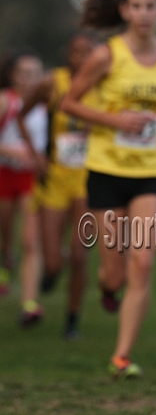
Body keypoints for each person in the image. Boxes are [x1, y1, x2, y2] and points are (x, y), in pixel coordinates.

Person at [61, 0, 156, 376]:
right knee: (114, 272)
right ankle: (105, 286)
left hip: (152, 173)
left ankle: (121, 356)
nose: (142, 13)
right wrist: (114, 120)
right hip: (106, 170)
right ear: (124, 11)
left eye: (150, 6)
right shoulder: (106, 55)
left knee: (142, 262)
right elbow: (70, 102)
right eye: (135, 6)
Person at [17, 32, 98, 338]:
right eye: (76, 52)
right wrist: (35, 154)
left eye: (88, 52)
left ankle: (72, 320)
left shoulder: (103, 86)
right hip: (55, 179)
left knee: (79, 256)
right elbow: (20, 114)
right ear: (68, 54)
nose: (82, 59)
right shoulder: (52, 82)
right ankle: (50, 275)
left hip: (88, 181)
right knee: (53, 260)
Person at [0, 50, 47, 322]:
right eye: (24, 74)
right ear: (13, 76)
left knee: (30, 241)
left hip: (31, 179)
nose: (30, 80)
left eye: (35, 74)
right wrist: (10, 151)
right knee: (6, 235)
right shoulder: (7, 101)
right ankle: (6, 259)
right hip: (5, 175)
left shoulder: (46, 103)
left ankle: (29, 303)